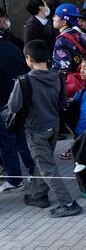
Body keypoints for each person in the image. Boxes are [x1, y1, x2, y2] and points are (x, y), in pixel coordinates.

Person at [8, 40, 82, 217]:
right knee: (43, 162)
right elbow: (62, 103)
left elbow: (14, 107)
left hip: (35, 129)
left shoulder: (24, 81)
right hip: (54, 126)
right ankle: (38, 195)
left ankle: (68, 203)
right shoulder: (57, 77)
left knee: (47, 166)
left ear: (29, 59)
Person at [0, 32, 35, 192]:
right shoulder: (13, 47)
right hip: (18, 100)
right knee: (21, 139)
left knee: (7, 144)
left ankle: (14, 179)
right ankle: (34, 170)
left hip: (3, 104)